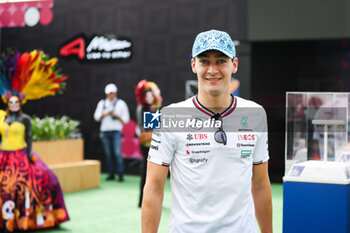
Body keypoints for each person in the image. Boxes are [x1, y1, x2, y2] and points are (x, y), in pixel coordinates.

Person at [141, 29, 273, 233]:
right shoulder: (170, 117)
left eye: (221, 60)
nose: (212, 69)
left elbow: (261, 184)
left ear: (234, 65)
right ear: (193, 64)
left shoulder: (255, 114)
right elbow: (154, 188)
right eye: (204, 61)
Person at [0, 91, 69, 232]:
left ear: (20, 104)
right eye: (11, 102)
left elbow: (29, 137)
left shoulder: (25, 119)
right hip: (4, 155)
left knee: (47, 179)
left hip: (21, 154)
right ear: (7, 104)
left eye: (16, 102)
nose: (13, 105)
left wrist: (30, 154)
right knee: (6, 186)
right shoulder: (3, 118)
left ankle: (29, 219)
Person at [94, 83, 130, 182]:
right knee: (109, 155)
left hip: (116, 132)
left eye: (112, 93)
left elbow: (126, 119)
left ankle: (120, 175)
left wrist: (117, 116)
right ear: (106, 94)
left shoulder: (121, 104)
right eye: (109, 93)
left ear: (115, 93)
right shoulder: (102, 103)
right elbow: (96, 117)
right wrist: (105, 114)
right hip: (105, 132)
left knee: (117, 154)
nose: (111, 95)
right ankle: (111, 174)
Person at [135, 79, 162, 207]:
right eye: (148, 93)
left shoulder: (154, 107)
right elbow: (147, 131)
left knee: (155, 175)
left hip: (154, 144)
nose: (151, 95)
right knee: (146, 173)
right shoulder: (144, 108)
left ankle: (151, 200)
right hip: (147, 145)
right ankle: (143, 200)